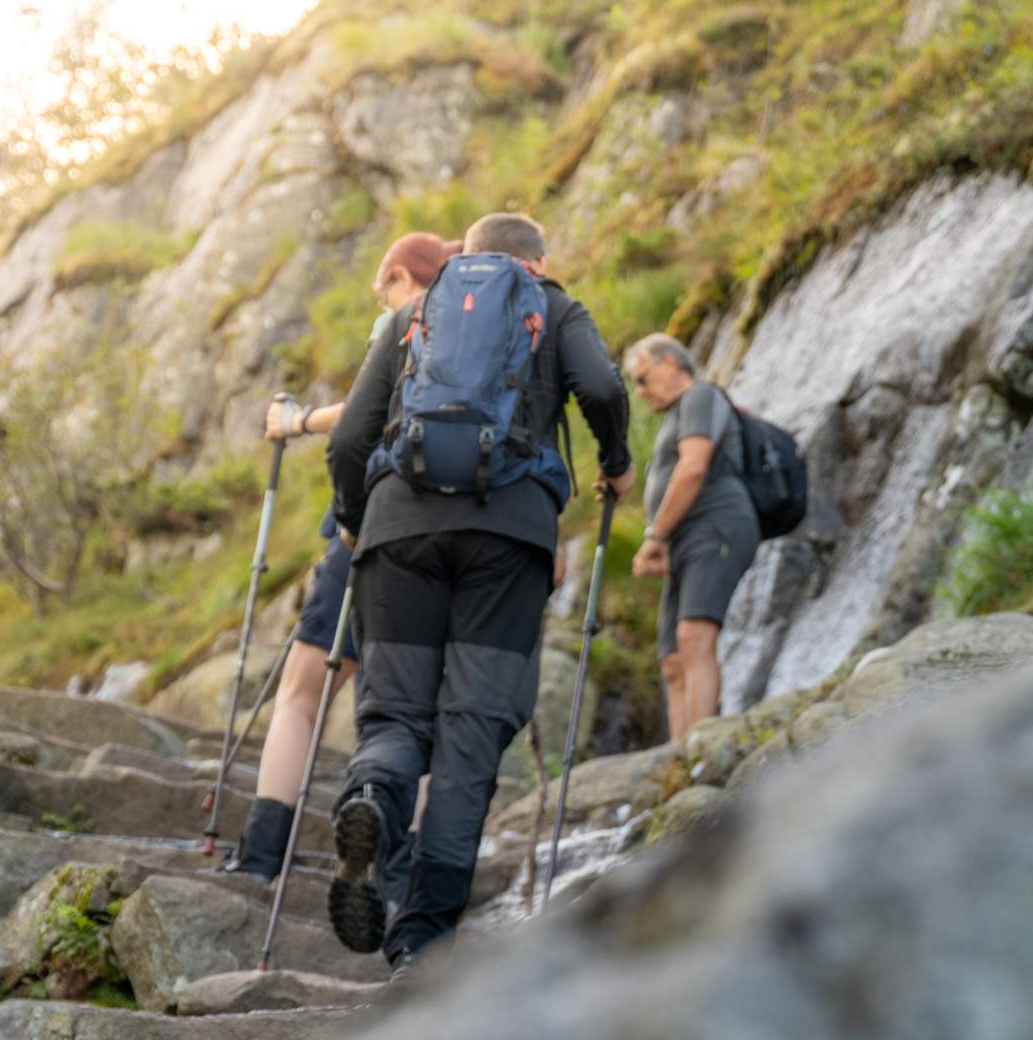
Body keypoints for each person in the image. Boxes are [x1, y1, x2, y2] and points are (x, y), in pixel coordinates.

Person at [325, 212, 634, 977]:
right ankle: (420, 942)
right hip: (509, 535)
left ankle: (373, 795)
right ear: (539, 259)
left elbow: (348, 438)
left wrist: (361, 522)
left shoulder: (410, 314)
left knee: (396, 716)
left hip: (400, 530)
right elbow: (599, 385)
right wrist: (617, 461)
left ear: (464, 257)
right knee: (469, 735)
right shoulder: (554, 305)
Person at [220, 231, 459, 884]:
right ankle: (406, 874)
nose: (378, 299)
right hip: (453, 544)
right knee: (419, 711)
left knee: (304, 691)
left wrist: (297, 426)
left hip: (370, 531)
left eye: (381, 284)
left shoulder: (403, 322)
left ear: (401, 277)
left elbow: (361, 417)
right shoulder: (481, 340)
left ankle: (264, 855)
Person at [623, 333, 759, 742]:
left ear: (670, 363)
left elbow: (694, 467)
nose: (640, 391)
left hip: (715, 525)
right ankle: (678, 757)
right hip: (683, 539)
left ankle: (701, 752)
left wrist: (656, 535)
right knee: (673, 660)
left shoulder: (700, 397)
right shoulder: (677, 414)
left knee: (694, 637)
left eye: (643, 378)